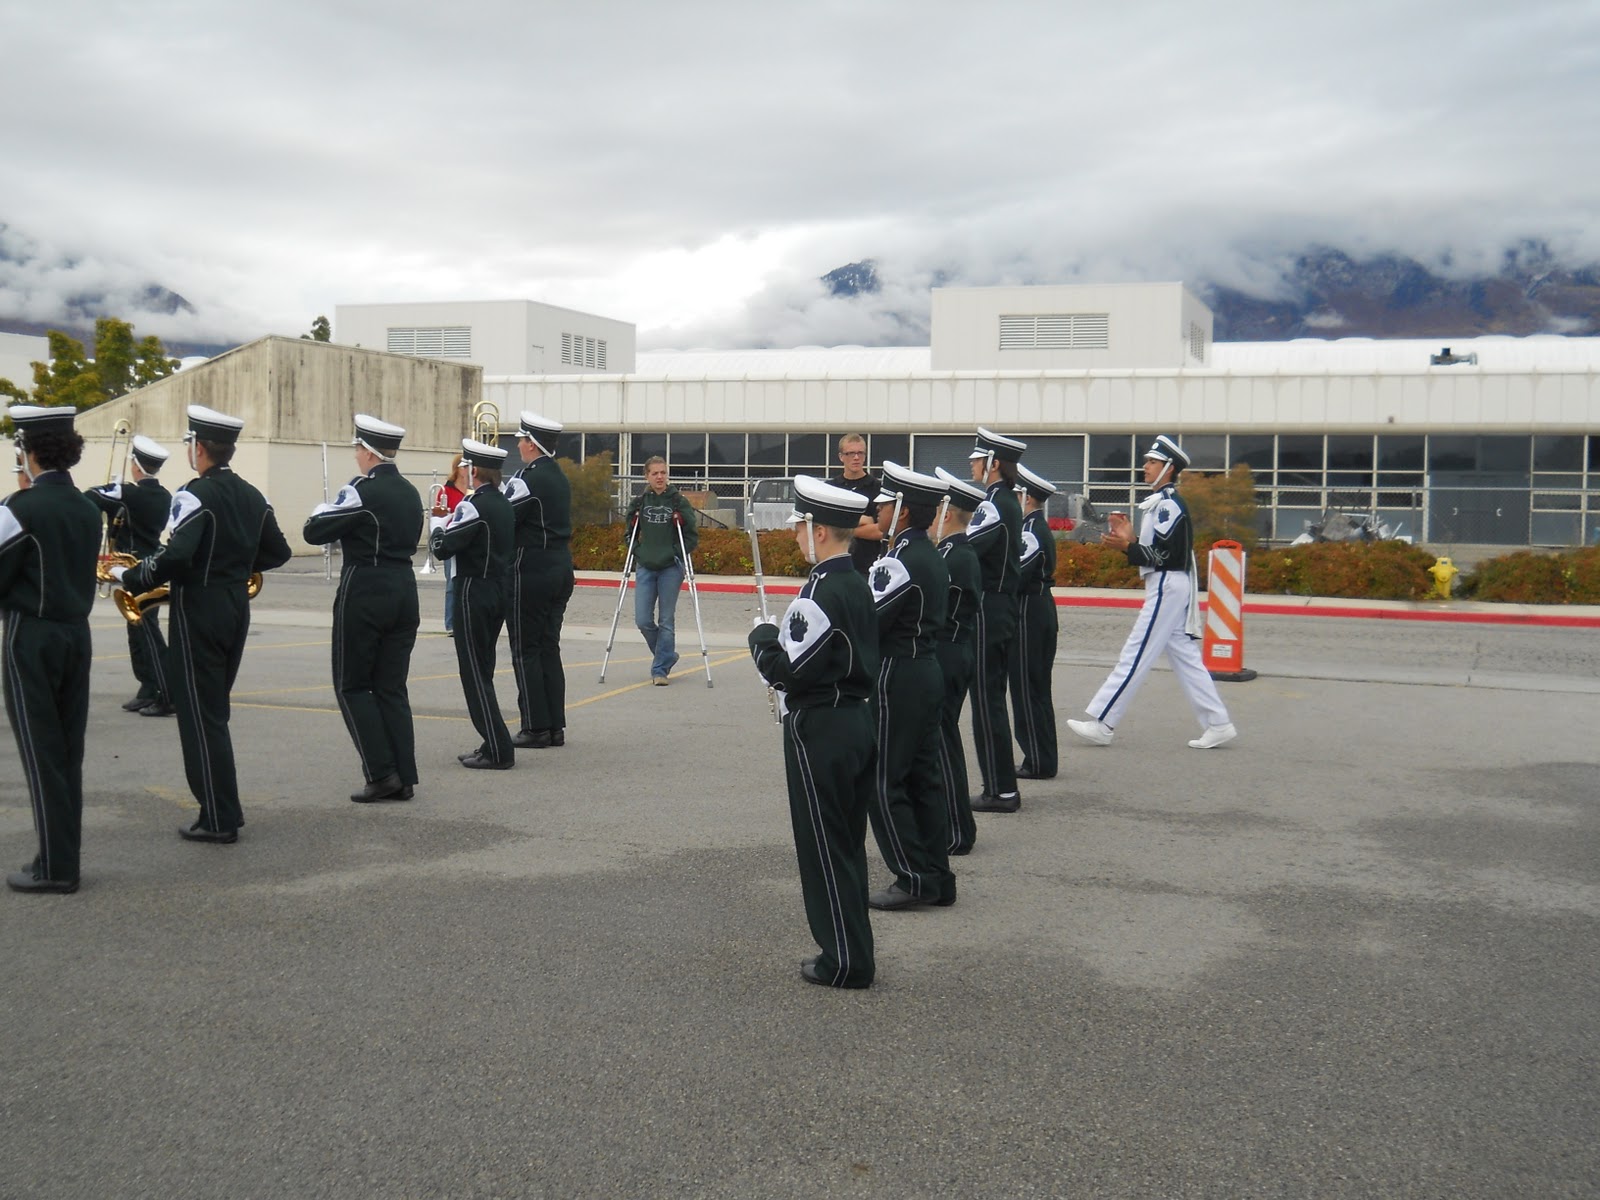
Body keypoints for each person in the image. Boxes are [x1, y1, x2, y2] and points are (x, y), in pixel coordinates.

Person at [112, 404, 293, 844]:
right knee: (213, 710)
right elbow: (279, 551)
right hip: (235, 606)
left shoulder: (193, 494)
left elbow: (175, 555)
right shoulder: (253, 495)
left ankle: (218, 816)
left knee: (198, 715)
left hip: (199, 609)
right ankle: (222, 808)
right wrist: (236, 565)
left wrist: (130, 576)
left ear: (197, 447)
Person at [748, 475, 880, 989]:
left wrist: (761, 640)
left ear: (820, 531)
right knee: (844, 841)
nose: (797, 535)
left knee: (823, 843)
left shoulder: (820, 591)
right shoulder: (856, 581)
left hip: (820, 725)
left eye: (801, 527)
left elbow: (788, 672)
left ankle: (843, 958)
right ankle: (853, 949)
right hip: (854, 718)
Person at [1067, 435, 1239, 750]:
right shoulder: (1162, 503)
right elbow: (1158, 551)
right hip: (1169, 583)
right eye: (1147, 462)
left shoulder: (1167, 506)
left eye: (1152, 463)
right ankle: (1218, 723)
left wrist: (1129, 547)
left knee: (1135, 652)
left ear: (1168, 468)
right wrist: (1130, 542)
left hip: (1167, 584)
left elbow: (1164, 558)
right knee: (1185, 658)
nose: (1145, 467)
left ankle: (1103, 722)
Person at [2, 406, 99, 893]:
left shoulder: (19, 507)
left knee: (42, 751)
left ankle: (56, 866)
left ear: (29, 451)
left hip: (32, 634)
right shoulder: (87, 508)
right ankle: (64, 854)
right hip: (76, 634)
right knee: (67, 750)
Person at [303, 415, 423, 803]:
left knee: (352, 684)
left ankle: (381, 772)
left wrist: (324, 508)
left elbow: (313, 531)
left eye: (357, 448)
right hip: (404, 587)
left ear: (368, 452)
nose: (356, 455)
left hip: (366, 586)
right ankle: (403, 776)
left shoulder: (360, 490)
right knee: (391, 686)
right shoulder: (408, 490)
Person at [864, 462, 954, 910]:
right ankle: (937, 874)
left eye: (883, 502)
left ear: (900, 511)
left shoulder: (898, 561)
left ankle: (913, 876)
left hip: (898, 673)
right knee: (923, 779)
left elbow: (870, 624)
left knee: (884, 780)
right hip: (927, 669)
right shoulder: (931, 555)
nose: (876, 508)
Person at [430, 437, 516, 769]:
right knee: (485, 668)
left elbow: (442, 548)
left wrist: (438, 522)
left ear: (475, 470)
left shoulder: (472, 505)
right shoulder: (505, 503)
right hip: (496, 589)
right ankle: (490, 743)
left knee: (474, 672)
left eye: (468, 467)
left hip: (473, 590)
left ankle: (497, 748)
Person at [85, 434, 175, 717]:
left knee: (146, 632)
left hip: (133, 567)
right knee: (137, 630)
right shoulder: (163, 495)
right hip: (150, 565)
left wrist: (114, 487)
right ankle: (147, 687)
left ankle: (166, 690)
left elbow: (89, 497)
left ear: (136, 465)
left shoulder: (130, 494)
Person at [966, 426, 1027, 814]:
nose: (971, 463)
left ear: (993, 463)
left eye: (977, 458)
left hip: (989, 606)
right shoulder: (1004, 500)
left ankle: (1001, 790)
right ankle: (1000, 785)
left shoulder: (992, 503)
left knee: (986, 702)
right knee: (991, 699)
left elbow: (968, 546)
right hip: (1000, 606)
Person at [505, 411, 574, 746]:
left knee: (526, 648)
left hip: (531, 567)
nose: (518, 445)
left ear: (531, 444)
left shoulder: (526, 479)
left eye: (521, 439)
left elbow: (506, 519)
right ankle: (554, 725)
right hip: (560, 565)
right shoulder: (558, 475)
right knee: (548, 646)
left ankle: (535, 726)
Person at [932, 466, 986, 856]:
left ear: (948, 513)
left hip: (949, 653)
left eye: (936, 510)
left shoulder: (955, 557)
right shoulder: (955, 552)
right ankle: (953, 822)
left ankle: (956, 828)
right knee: (941, 737)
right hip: (954, 649)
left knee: (943, 739)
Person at [623, 456, 698, 685]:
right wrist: (638, 550)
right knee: (643, 620)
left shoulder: (678, 501)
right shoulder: (640, 502)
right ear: (646, 476)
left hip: (670, 568)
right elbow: (628, 533)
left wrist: (675, 551)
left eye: (663, 473)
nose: (660, 477)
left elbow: (692, 535)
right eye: (655, 473)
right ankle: (667, 655)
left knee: (666, 619)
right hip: (646, 565)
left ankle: (660, 670)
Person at [1010, 463, 1060, 779]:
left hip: (1029, 608)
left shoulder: (1029, 532)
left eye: (1016, 494)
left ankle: (1038, 760)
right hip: (1036, 606)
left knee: (1027, 687)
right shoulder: (1033, 527)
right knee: (1036, 687)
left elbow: (1016, 574)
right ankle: (1041, 757)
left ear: (1026, 497)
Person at [827, 433, 883, 575]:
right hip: (835, 567)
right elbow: (824, 526)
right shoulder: (830, 488)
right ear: (841, 457)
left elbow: (881, 531)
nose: (856, 457)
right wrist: (863, 520)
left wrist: (842, 529)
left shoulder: (878, 488)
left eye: (860, 453)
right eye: (850, 453)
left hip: (868, 569)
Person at [432, 458, 468, 635]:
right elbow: (439, 513)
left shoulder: (471, 490)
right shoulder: (446, 490)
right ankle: (451, 623)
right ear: (458, 469)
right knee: (452, 584)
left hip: (468, 539)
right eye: (465, 467)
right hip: (451, 537)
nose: (468, 469)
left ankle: (465, 620)